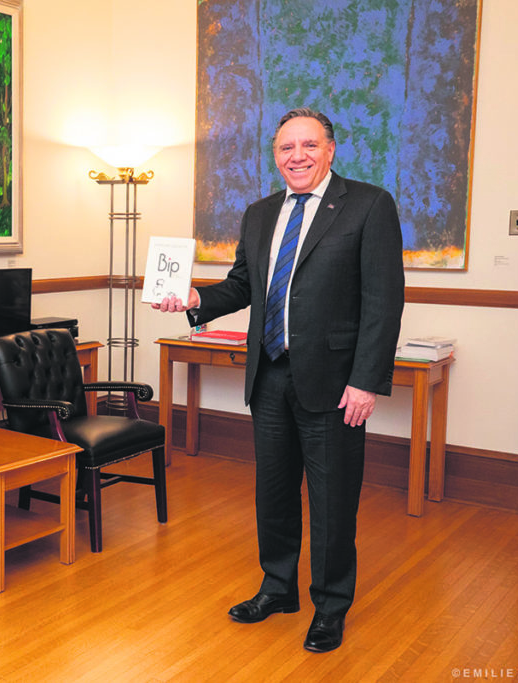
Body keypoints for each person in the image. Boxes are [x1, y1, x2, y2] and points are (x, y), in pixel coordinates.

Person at [154, 108, 404, 653]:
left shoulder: (368, 205)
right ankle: (277, 587)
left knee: (333, 499)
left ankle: (330, 606)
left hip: (335, 383)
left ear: (330, 150)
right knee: (273, 492)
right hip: (269, 374)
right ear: (275, 155)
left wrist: (365, 381)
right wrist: (197, 299)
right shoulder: (260, 213)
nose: (297, 156)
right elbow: (242, 284)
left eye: (308, 146)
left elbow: (383, 302)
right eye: (286, 148)